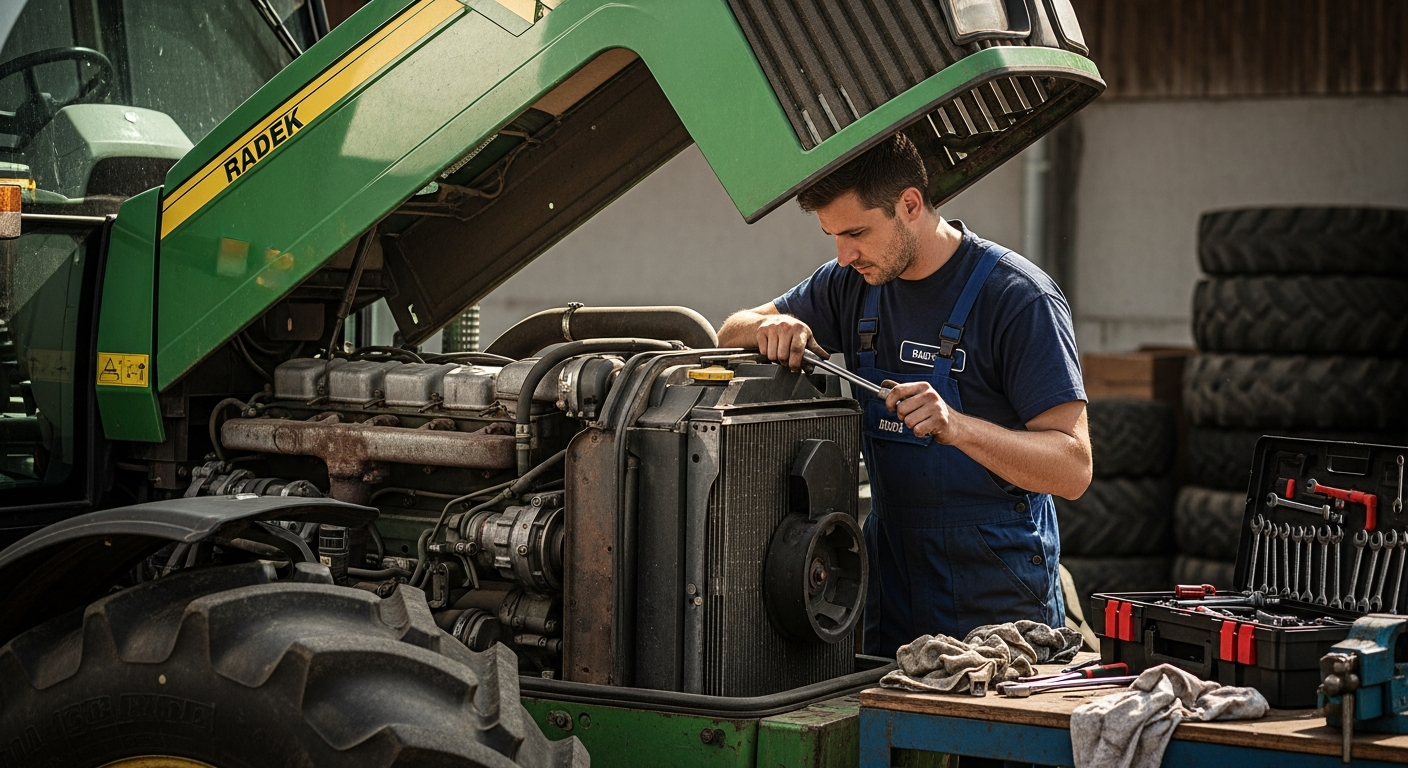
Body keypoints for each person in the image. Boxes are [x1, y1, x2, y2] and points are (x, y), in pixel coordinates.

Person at [718, 133, 1093, 658]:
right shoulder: (850, 284)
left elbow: (1073, 469)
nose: (844, 255)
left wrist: (956, 427)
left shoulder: (1019, 299)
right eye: (832, 236)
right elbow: (729, 330)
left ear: (909, 205)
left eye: (855, 233)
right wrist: (775, 327)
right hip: (889, 580)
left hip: (996, 593)